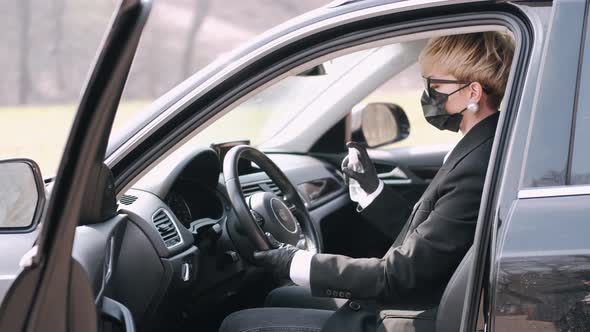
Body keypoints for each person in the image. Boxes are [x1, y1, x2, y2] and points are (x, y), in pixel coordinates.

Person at [219, 31, 514, 332]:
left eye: (436, 85)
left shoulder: (476, 164)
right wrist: (372, 192)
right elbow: (432, 238)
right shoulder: (481, 146)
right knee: (278, 297)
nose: (427, 95)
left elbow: (398, 274)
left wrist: (295, 261)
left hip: (410, 316)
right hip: (416, 298)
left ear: (474, 92)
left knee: (237, 324)